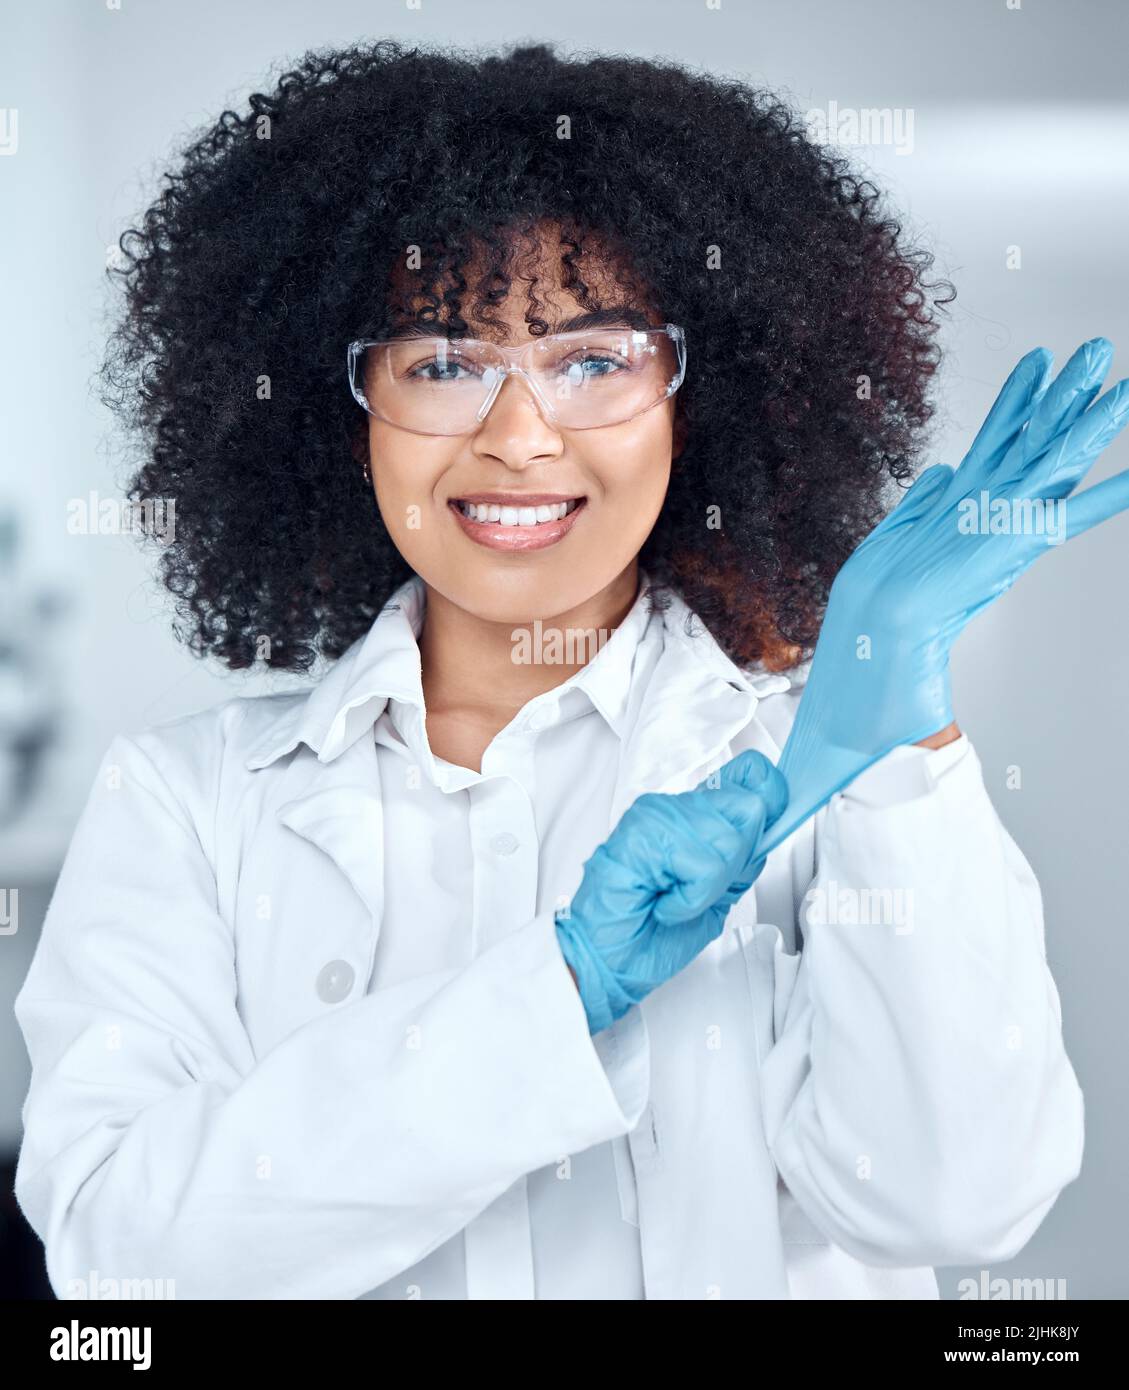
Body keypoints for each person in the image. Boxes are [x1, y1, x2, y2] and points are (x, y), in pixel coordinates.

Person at [14, 38, 1123, 1301]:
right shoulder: (188, 804)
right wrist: (555, 993)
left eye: (593, 360)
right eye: (442, 363)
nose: (518, 435)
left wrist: (898, 756)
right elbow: (120, 1258)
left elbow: (959, 1197)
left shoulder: (817, 770)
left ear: (693, 401)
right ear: (347, 407)